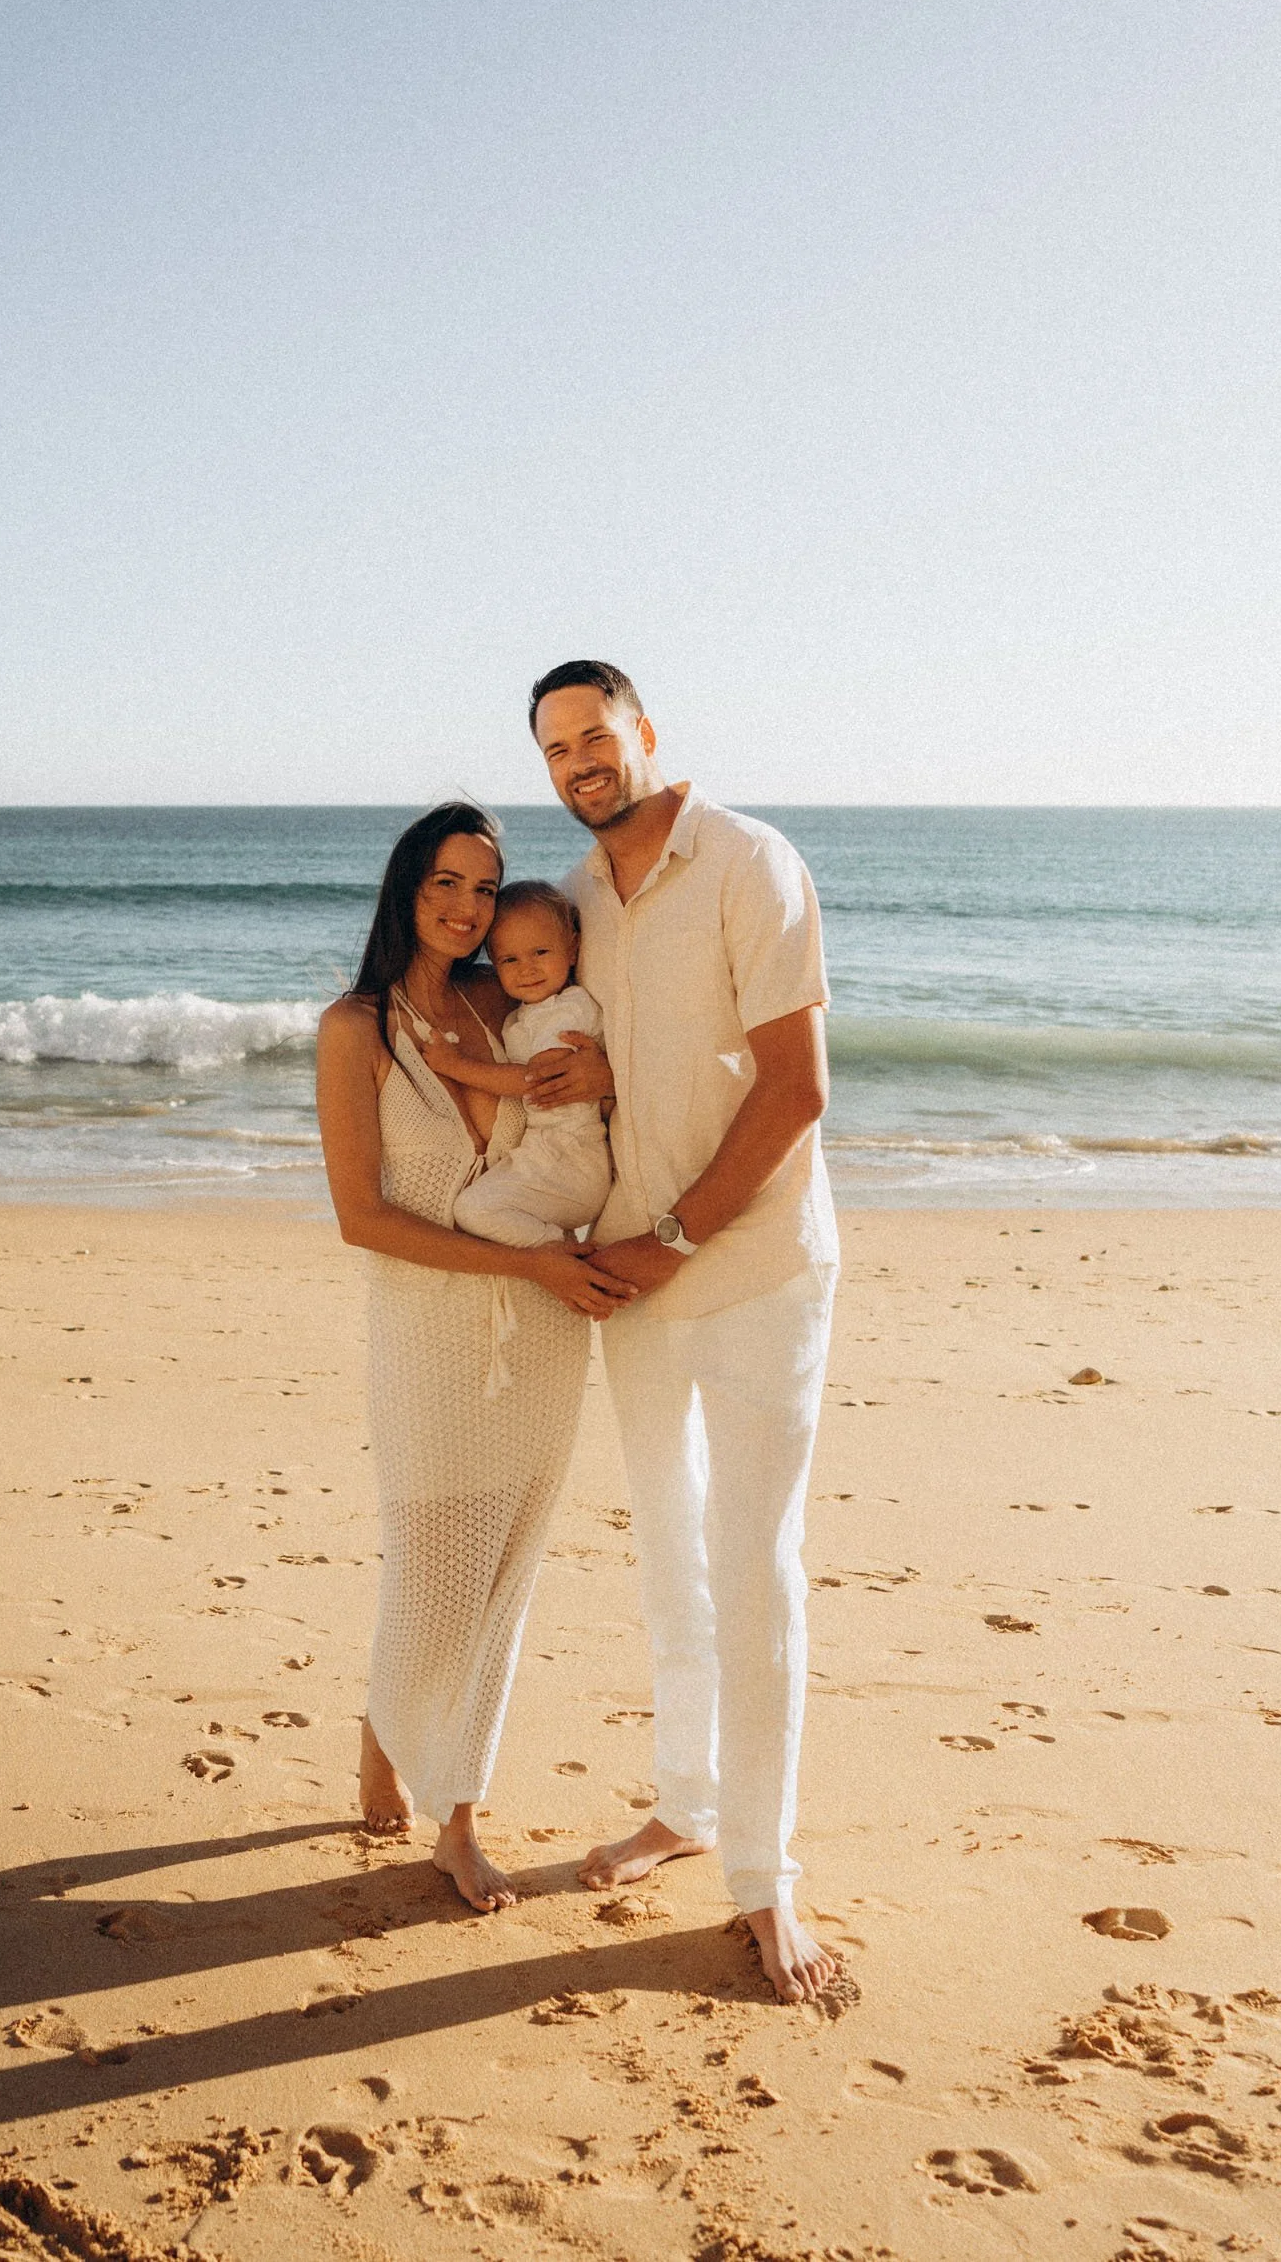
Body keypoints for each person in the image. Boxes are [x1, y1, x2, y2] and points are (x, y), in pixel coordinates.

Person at [528, 659, 842, 2003]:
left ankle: (764, 1882)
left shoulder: (747, 863)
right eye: (553, 748)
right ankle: (684, 1801)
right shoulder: (581, 898)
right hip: (633, 1282)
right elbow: (611, 1059)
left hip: (754, 1267)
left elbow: (793, 1090)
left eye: (594, 736)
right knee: (668, 1547)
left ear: (646, 735)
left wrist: (671, 1238)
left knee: (752, 1561)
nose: (577, 762)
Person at [315, 804, 635, 1912]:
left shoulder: (512, 1000)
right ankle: (416, 1764)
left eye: (484, 890)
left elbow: (596, 1094)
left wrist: (600, 1072)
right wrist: (527, 1267)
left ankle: (444, 1802)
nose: (465, 909)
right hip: (429, 1323)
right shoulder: (353, 1027)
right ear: (407, 886)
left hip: (538, 1326)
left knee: (504, 1565)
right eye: (445, 883)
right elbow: (361, 1215)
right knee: (431, 1556)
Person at [424, 880, 613, 1252]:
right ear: (494, 967)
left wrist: (455, 1065)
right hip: (544, 1155)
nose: (526, 969)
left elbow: (534, 1080)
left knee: (471, 1210)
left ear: (572, 949)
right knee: (469, 1209)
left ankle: (560, 1248)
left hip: (571, 1162)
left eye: (540, 952)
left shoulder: (569, 1009)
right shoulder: (519, 1020)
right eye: (510, 960)